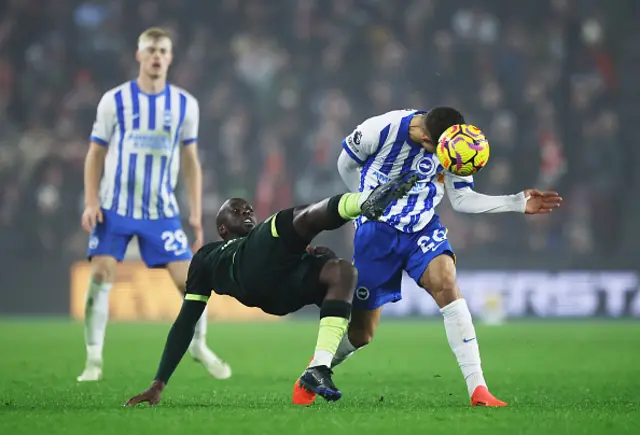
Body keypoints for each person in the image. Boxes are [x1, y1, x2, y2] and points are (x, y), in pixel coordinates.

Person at [292, 107, 562, 407]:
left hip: (422, 228)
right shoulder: (379, 129)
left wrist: (515, 203)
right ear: (424, 138)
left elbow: (460, 199)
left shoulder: (456, 144)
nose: (442, 161)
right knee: (362, 334)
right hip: (377, 234)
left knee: (446, 282)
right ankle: (315, 369)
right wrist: (366, 201)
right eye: (437, 152)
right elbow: (345, 164)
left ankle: (478, 390)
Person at [124, 173, 419, 406]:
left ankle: (319, 368)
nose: (247, 212)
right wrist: (158, 383)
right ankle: (362, 202)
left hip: (284, 286)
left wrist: (318, 258)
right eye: (237, 211)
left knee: (342, 271)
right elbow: (186, 320)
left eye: (249, 208)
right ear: (222, 228)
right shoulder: (207, 255)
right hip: (249, 269)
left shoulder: (271, 245)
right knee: (287, 221)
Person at [78, 27, 230, 382]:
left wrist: (194, 213)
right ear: (139, 55)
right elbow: (95, 153)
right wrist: (90, 201)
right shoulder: (114, 100)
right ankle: (94, 359)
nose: (157, 56)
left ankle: (199, 346)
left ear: (170, 57)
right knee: (101, 273)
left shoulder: (184, 104)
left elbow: (190, 161)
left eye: (163, 50)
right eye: (151, 50)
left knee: (193, 281)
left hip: (160, 212)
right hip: (114, 208)